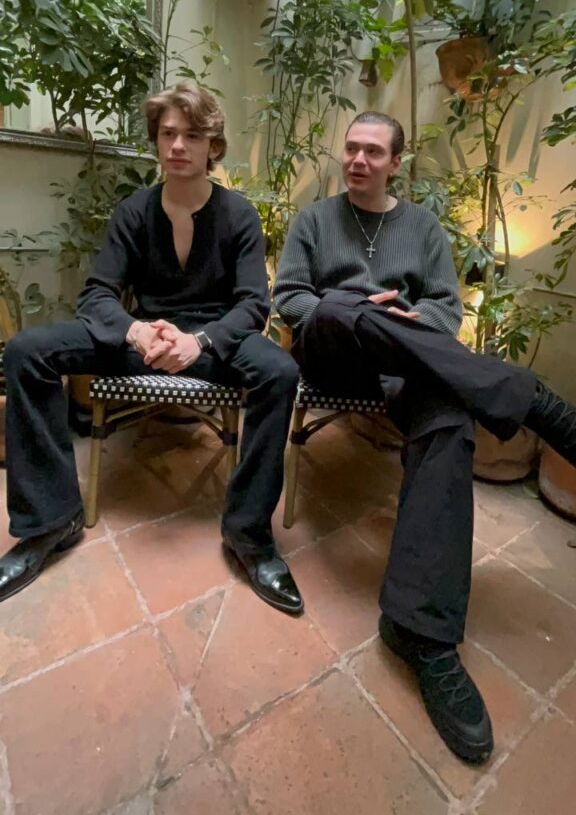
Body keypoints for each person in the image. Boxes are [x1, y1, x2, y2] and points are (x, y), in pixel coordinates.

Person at [274, 110, 576, 763]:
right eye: (351, 148)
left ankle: (423, 634)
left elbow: (445, 307)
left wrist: (406, 316)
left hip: (406, 364)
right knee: (340, 305)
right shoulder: (314, 220)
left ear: (395, 163)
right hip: (333, 351)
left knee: (447, 420)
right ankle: (532, 400)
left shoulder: (423, 227)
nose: (357, 160)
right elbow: (291, 298)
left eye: (372, 151)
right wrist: (361, 309)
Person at [0, 83, 303, 616]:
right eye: (168, 134)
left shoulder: (239, 215)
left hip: (213, 343)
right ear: (157, 141)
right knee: (28, 350)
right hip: (143, 338)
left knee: (279, 372)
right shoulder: (134, 211)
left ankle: (249, 535)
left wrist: (198, 341)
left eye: (192, 135)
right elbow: (98, 294)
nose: (178, 145)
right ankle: (50, 522)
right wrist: (136, 332)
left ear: (213, 145)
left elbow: (253, 304)